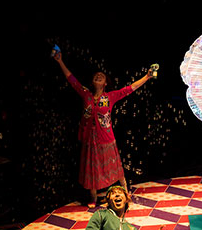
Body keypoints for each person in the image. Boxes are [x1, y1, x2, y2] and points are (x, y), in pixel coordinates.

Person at [53, 49, 153, 206]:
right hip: (89, 139)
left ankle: (125, 190)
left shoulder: (110, 97)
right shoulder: (85, 94)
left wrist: (147, 77)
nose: (98, 76)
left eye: (102, 76)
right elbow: (71, 79)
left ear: (105, 83)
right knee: (92, 168)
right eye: (96, 76)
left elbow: (130, 89)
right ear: (92, 82)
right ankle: (93, 197)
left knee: (116, 167)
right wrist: (60, 61)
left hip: (106, 138)